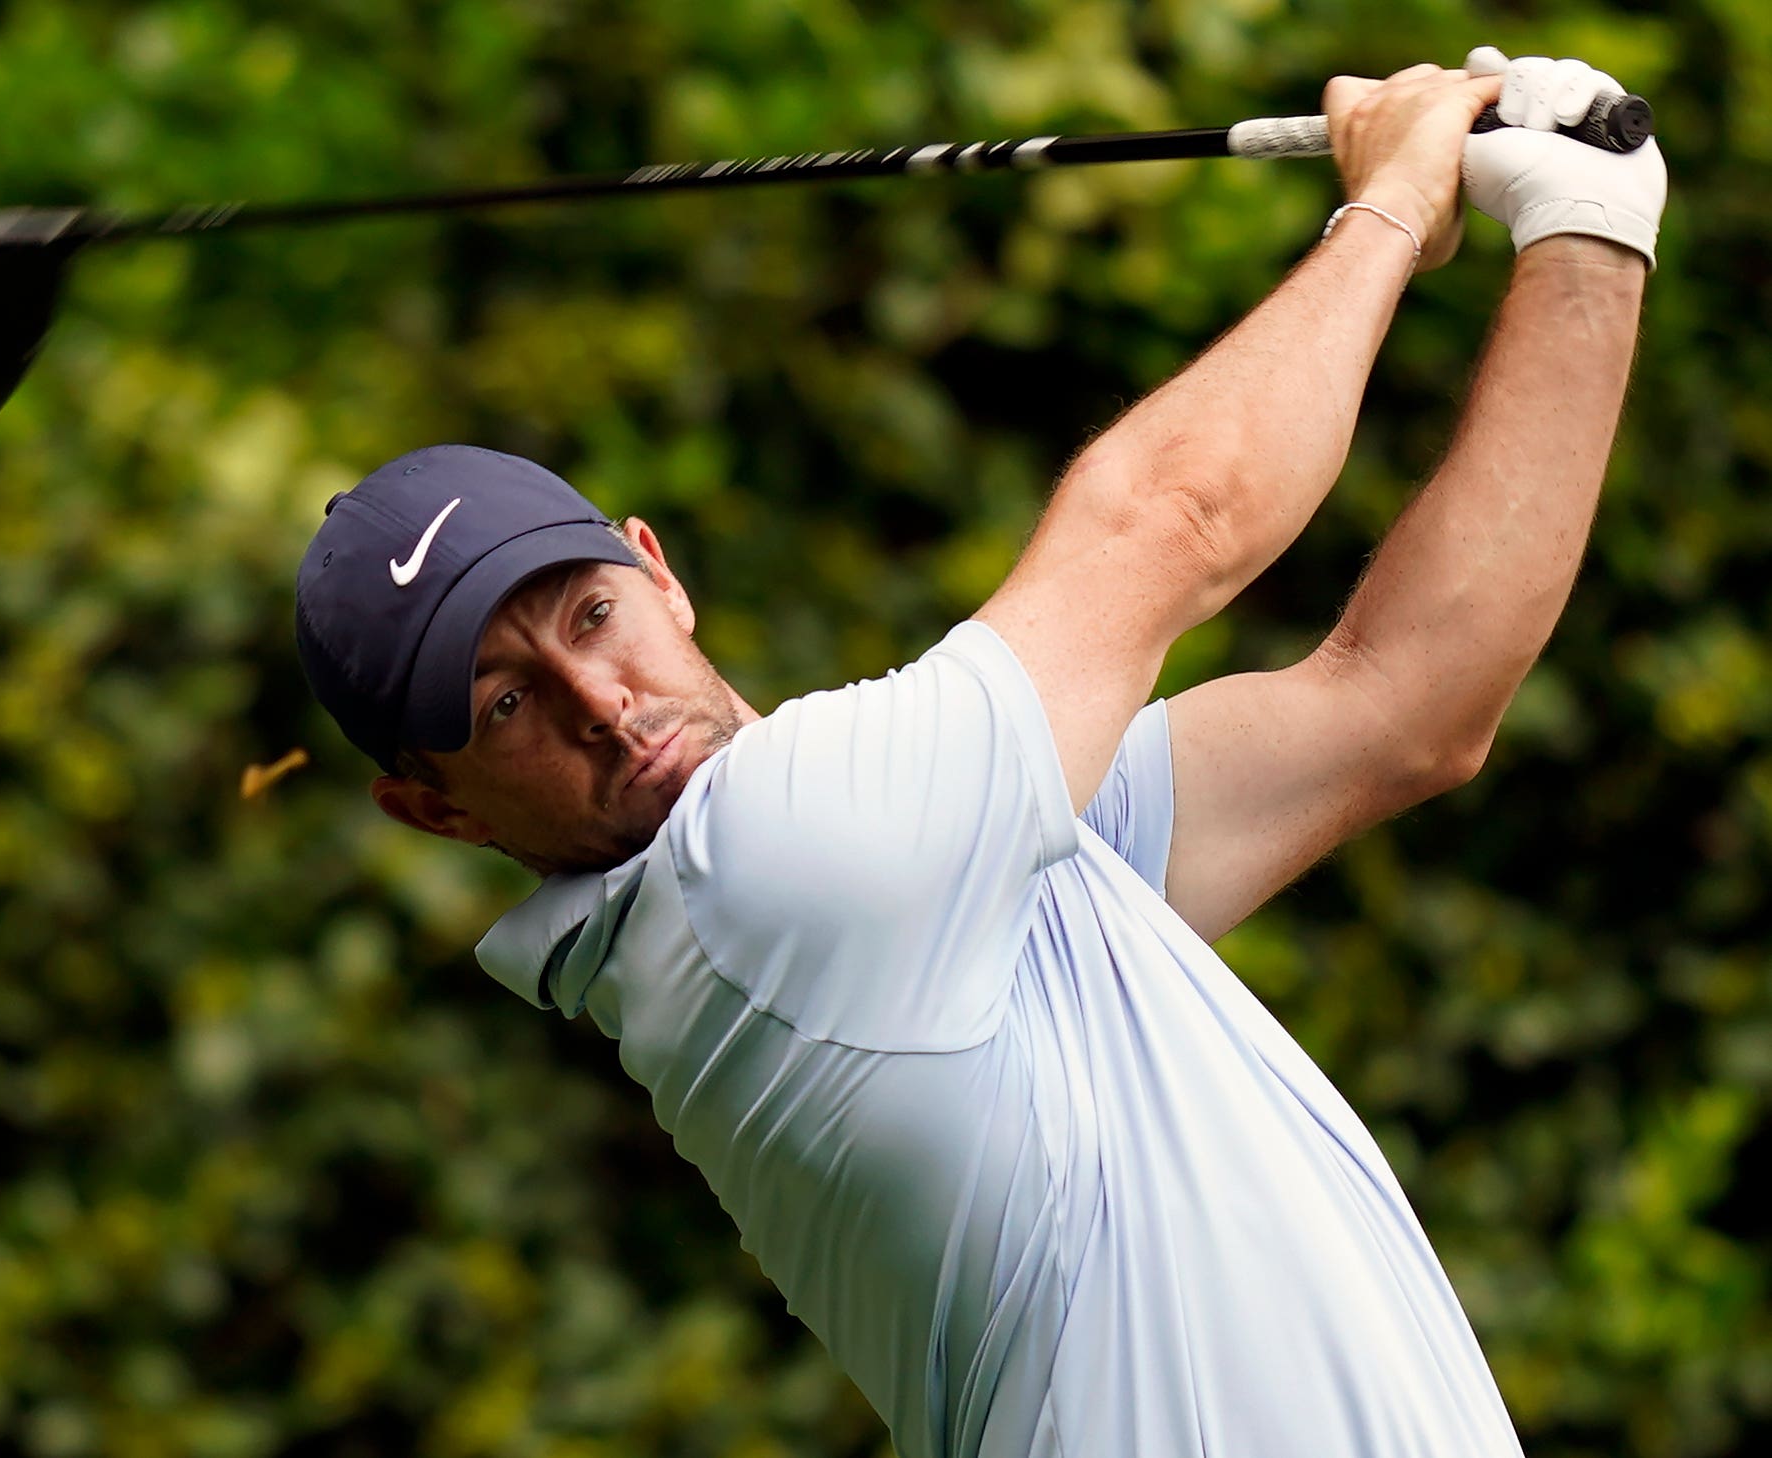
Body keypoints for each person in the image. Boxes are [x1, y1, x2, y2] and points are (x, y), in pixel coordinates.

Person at [291, 49, 1663, 1458]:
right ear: (431, 807)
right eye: (502, 703)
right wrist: (1386, 202)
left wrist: (1587, 236)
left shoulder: (951, 869)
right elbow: (1172, 519)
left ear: (659, 570)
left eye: (589, 614)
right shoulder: (767, 869)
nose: (597, 698)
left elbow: (1407, 702)